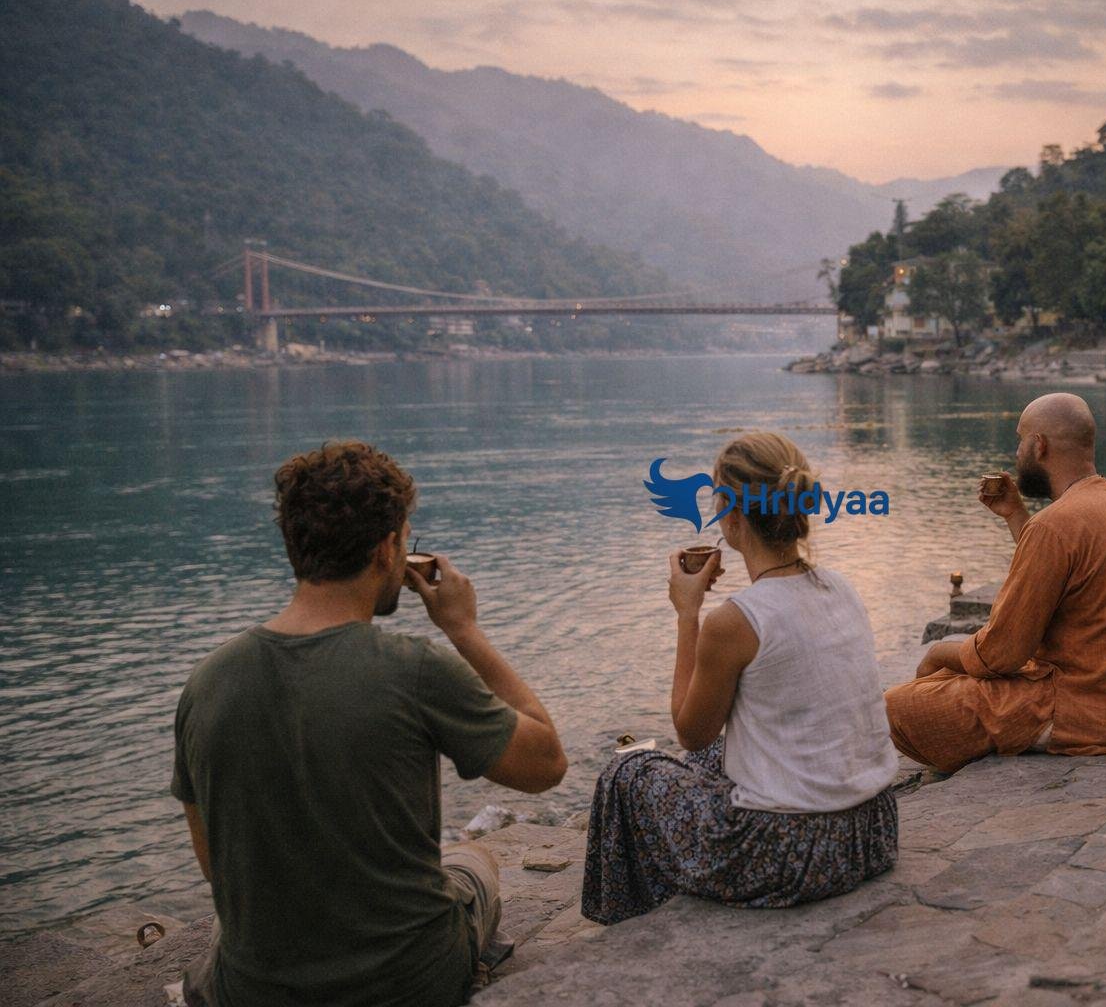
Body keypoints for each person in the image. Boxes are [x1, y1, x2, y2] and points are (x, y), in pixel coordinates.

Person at [172, 441, 567, 1007]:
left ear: (295, 547)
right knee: (474, 861)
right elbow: (546, 764)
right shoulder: (414, 667)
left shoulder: (206, 681)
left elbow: (218, 867)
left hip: (255, 988)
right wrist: (464, 630)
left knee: (224, 930)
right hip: (406, 983)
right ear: (388, 550)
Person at [581, 432, 898, 926]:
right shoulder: (840, 586)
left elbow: (690, 728)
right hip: (870, 833)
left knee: (630, 772)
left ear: (730, 514)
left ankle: (630, 925)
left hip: (791, 854)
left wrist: (688, 613)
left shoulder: (737, 620)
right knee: (707, 759)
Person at [883, 393, 1106, 775]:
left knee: (896, 705)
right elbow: (1060, 569)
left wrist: (940, 652)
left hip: (1082, 710)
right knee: (946, 681)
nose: (1017, 451)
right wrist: (1015, 515)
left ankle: (994, 740)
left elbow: (1000, 654)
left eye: (1020, 440)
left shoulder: (1055, 524)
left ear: (1039, 446)